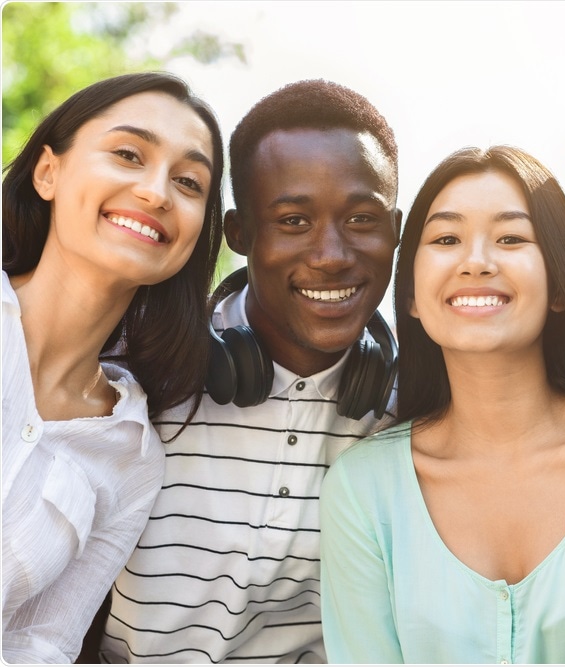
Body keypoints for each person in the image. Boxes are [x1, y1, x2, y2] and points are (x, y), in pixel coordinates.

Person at [319, 145, 565, 664]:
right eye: (445, 239)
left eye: (511, 238)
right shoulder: (361, 487)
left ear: (560, 285)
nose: (477, 261)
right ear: (412, 294)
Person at [99, 79, 401, 663]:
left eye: (362, 219)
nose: (332, 253)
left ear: (396, 229)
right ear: (239, 234)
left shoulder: (412, 412)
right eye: (293, 221)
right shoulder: (130, 369)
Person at [2, 71, 225, 663]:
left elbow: (41, 643)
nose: (156, 192)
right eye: (128, 154)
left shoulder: (134, 459)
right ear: (48, 172)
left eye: (189, 182)